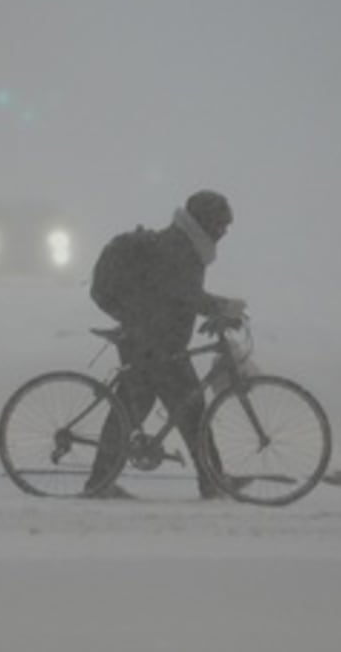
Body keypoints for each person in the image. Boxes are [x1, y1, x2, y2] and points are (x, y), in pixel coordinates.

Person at [85, 190, 247, 499]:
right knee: (189, 412)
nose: (224, 232)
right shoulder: (180, 248)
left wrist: (215, 310)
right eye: (221, 225)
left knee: (134, 411)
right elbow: (185, 292)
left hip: (152, 340)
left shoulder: (184, 244)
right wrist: (223, 307)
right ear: (206, 222)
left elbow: (178, 296)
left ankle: (100, 481)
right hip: (155, 345)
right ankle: (213, 481)